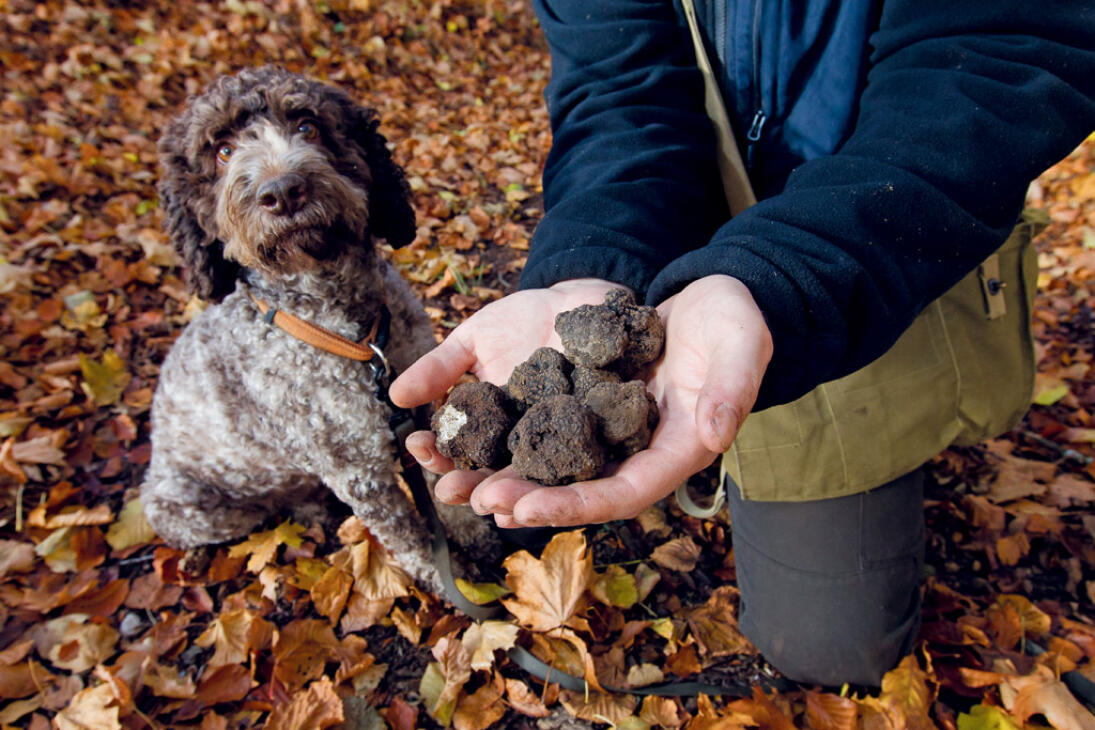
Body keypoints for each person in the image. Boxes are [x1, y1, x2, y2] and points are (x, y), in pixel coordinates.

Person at [390, 0, 1095, 686]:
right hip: (682, 263)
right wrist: (593, 261)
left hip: (872, 244)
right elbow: (617, 89)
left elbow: (995, 54)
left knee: (830, 654)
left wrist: (779, 280)